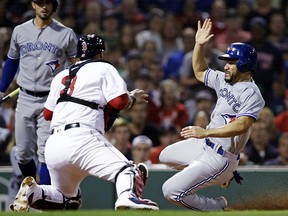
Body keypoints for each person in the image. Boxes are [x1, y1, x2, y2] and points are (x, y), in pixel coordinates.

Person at [9, 34, 159, 212]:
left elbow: (48, 114)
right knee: (130, 171)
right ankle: (128, 198)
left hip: (55, 144)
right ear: (101, 54)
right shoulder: (103, 68)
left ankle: (34, 191)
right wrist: (132, 98)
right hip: (82, 137)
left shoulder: (61, 76)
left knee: (67, 198)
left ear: (78, 54)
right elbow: (119, 102)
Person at [159, 19, 265, 211]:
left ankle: (216, 206)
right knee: (164, 156)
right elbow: (199, 71)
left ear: (245, 64)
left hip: (221, 157)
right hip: (204, 146)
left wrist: (205, 132)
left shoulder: (252, 93)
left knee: (170, 191)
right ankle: (214, 175)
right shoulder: (225, 80)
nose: (225, 66)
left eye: (231, 62)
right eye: (226, 61)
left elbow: (242, 125)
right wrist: (198, 45)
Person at [0, 0, 78, 185]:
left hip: (52, 99)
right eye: (40, 2)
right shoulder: (20, 31)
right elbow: (12, 61)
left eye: (48, 3)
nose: (44, 6)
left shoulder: (66, 34)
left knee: (45, 153)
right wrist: (1, 89)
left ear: (54, 5)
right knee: (23, 153)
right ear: (33, 5)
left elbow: (77, 65)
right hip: (25, 97)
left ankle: (44, 199)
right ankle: (32, 189)